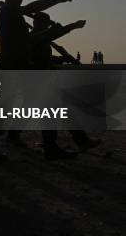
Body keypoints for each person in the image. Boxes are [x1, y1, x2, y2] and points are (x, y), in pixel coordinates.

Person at [0, 0, 77, 157]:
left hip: (20, 67)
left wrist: (50, 33)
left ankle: (47, 146)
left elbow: (27, 38)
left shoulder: (14, 14)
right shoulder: (7, 12)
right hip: (12, 68)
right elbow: (33, 11)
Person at [30, 13, 100, 158]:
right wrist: (73, 26)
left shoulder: (41, 38)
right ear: (36, 23)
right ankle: (54, 147)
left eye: (47, 24)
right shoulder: (34, 38)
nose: (46, 26)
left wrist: (62, 59)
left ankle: (75, 142)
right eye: (43, 23)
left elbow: (45, 57)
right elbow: (38, 59)